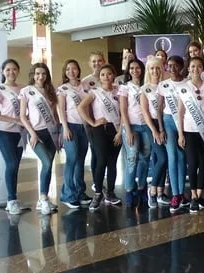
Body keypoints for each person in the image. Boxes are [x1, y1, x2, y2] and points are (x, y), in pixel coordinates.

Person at [78, 64, 123, 211]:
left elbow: (124, 113)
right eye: (103, 74)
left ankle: (110, 192)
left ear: (113, 75)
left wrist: (120, 132)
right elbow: (81, 108)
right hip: (99, 130)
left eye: (109, 74)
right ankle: (98, 193)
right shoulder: (95, 92)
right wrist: (92, 122)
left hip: (115, 130)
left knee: (112, 162)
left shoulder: (119, 91)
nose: (106, 77)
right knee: (101, 160)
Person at [19, 63, 61, 216]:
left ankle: (43, 197)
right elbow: (23, 116)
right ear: (33, 74)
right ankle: (43, 198)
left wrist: (59, 131)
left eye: (43, 73)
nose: (40, 76)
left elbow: (55, 114)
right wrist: (32, 133)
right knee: (47, 162)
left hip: (51, 132)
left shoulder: (51, 91)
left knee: (48, 166)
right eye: (37, 73)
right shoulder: (26, 91)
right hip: (36, 132)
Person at [177, 56, 204, 213]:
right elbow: (180, 112)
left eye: (199, 66)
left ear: (203, 68)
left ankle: (199, 195)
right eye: (193, 66)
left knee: (203, 162)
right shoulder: (183, 87)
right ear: (188, 68)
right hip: (190, 130)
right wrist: (180, 134)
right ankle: (193, 196)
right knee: (192, 163)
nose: (196, 69)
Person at [0, 59, 26, 215]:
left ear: (18, 71)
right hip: (4, 133)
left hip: (20, 133)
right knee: (11, 164)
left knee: (15, 166)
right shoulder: (0, 89)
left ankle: (13, 199)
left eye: (14, 69)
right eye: (8, 70)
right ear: (3, 72)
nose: (11, 72)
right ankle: (11, 200)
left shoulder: (24, 88)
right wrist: (15, 119)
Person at [57, 60, 90, 209]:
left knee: (81, 160)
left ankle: (79, 192)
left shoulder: (86, 87)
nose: (71, 71)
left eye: (74, 69)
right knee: (72, 158)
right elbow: (61, 109)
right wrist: (65, 127)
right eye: (68, 69)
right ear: (65, 71)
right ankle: (67, 194)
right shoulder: (63, 89)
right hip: (70, 126)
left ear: (78, 70)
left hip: (85, 127)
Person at [119, 58, 150, 208]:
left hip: (146, 127)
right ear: (128, 71)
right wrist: (128, 130)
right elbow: (123, 110)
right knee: (132, 159)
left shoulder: (147, 86)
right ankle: (129, 190)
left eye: (137, 68)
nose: (135, 70)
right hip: (131, 127)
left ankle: (141, 188)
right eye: (131, 68)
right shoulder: (125, 88)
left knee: (145, 158)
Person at [159, 56, 189, 213]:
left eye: (175, 66)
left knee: (182, 157)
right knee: (172, 156)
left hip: (184, 122)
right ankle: (175, 194)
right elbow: (159, 107)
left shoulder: (187, 84)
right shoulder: (163, 85)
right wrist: (161, 128)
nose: (172, 68)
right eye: (169, 66)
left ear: (181, 67)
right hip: (168, 121)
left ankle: (182, 193)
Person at [140, 57, 168, 208]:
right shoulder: (145, 89)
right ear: (148, 71)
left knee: (161, 159)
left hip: (165, 123)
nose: (155, 71)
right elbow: (144, 112)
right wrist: (155, 131)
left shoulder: (166, 86)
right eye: (152, 68)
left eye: (157, 68)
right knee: (162, 158)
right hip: (151, 125)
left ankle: (160, 192)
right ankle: (152, 191)